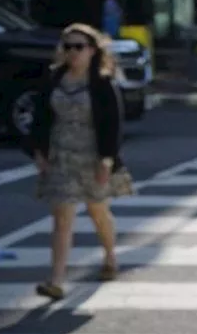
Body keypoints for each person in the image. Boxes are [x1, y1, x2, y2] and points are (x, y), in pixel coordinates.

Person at [29, 23, 134, 301]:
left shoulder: (102, 83)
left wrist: (107, 160)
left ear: (92, 50)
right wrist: (38, 152)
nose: (73, 52)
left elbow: (113, 124)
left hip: (93, 155)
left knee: (98, 211)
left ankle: (110, 256)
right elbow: (40, 118)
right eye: (68, 46)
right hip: (60, 155)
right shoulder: (53, 80)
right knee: (62, 217)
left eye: (79, 46)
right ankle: (57, 281)